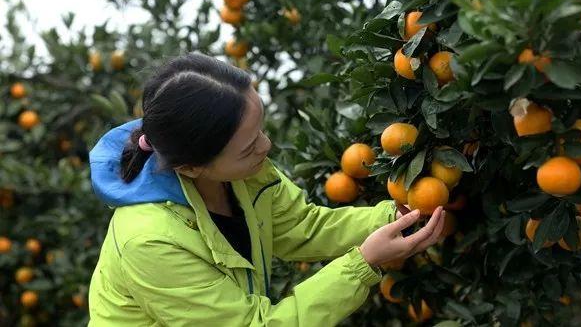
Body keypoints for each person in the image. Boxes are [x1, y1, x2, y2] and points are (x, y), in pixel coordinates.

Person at [87, 52, 445, 326]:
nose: (267, 145)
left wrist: (397, 214)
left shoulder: (244, 171)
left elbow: (302, 228)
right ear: (191, 167)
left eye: (260, 129)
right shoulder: (149, 242)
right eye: (248, 146)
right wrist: (363, 263)